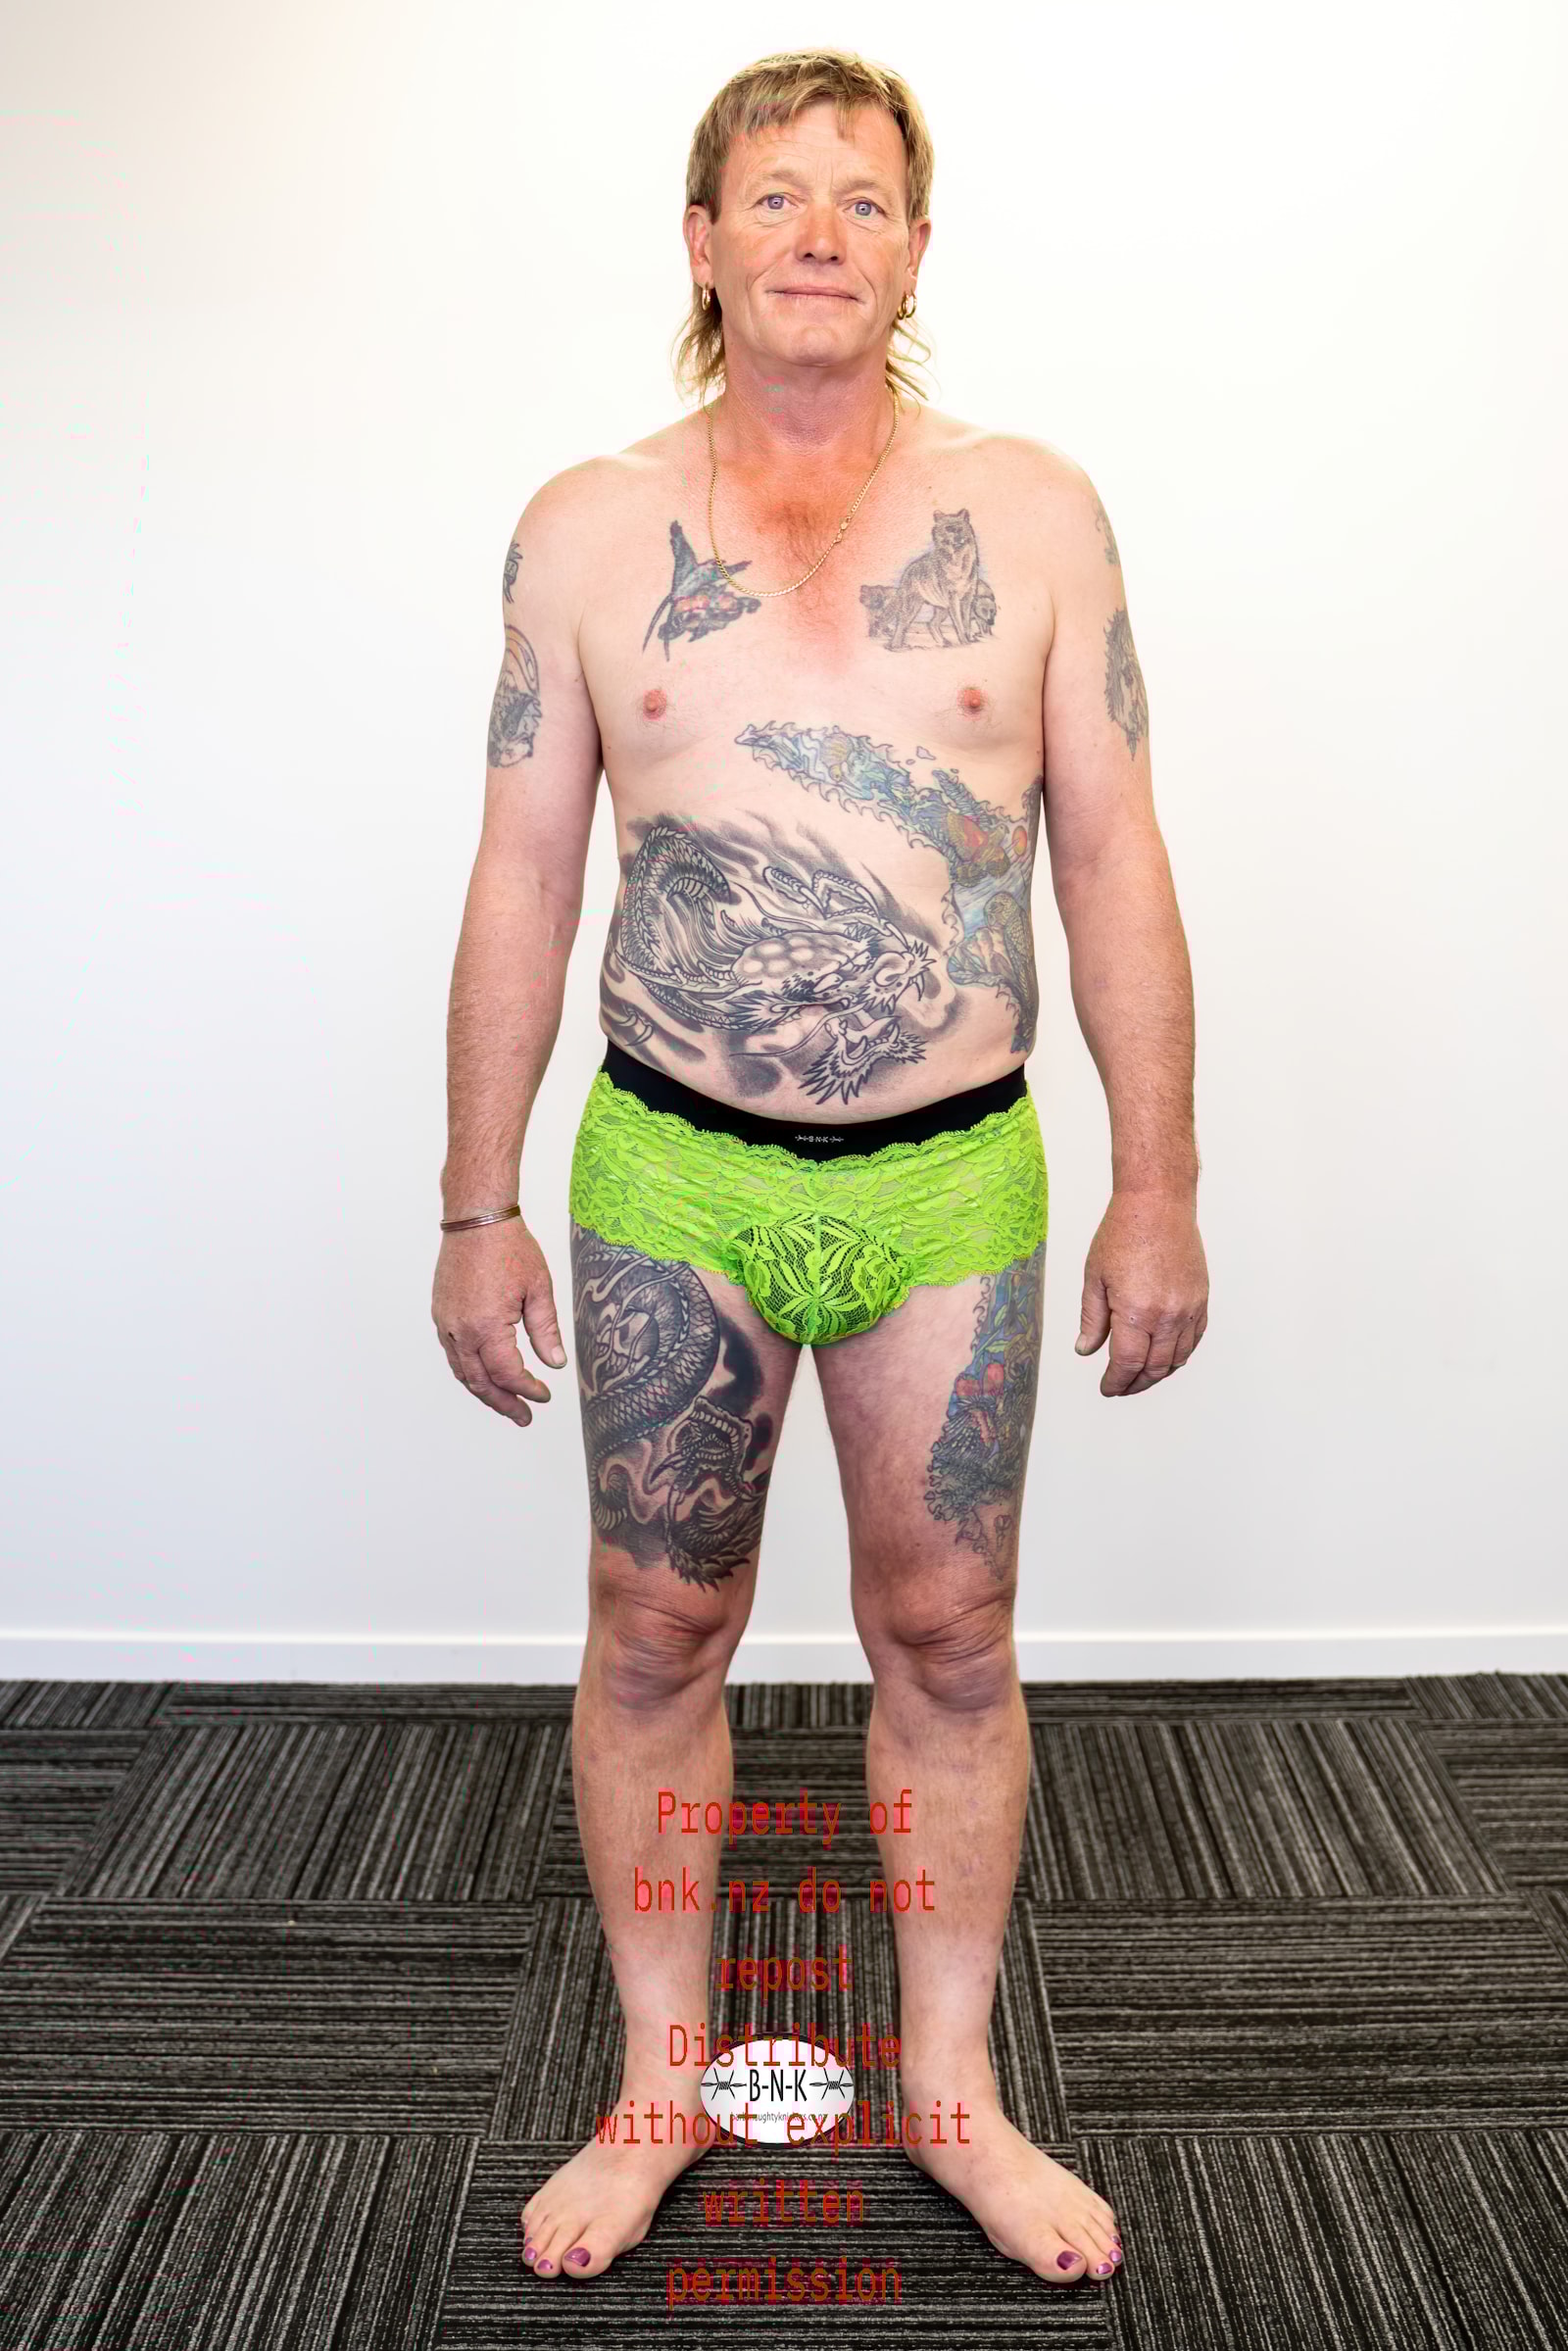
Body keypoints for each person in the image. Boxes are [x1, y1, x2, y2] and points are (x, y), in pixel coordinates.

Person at [432, 46, 1207, 2295]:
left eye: (862, 201)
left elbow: (1112, 859)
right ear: (700, 241)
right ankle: (659, 2077)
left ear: (913, 251)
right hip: (669, 1169)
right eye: (773, 195)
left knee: (948, 1635)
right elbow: (520, 874)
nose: (815, 234)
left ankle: (947, 2090)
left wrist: (1154, 1178)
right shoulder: (589, 529)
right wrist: (475, 1198)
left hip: (948, 1176)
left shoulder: (1033, 517)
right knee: (655, 1626)